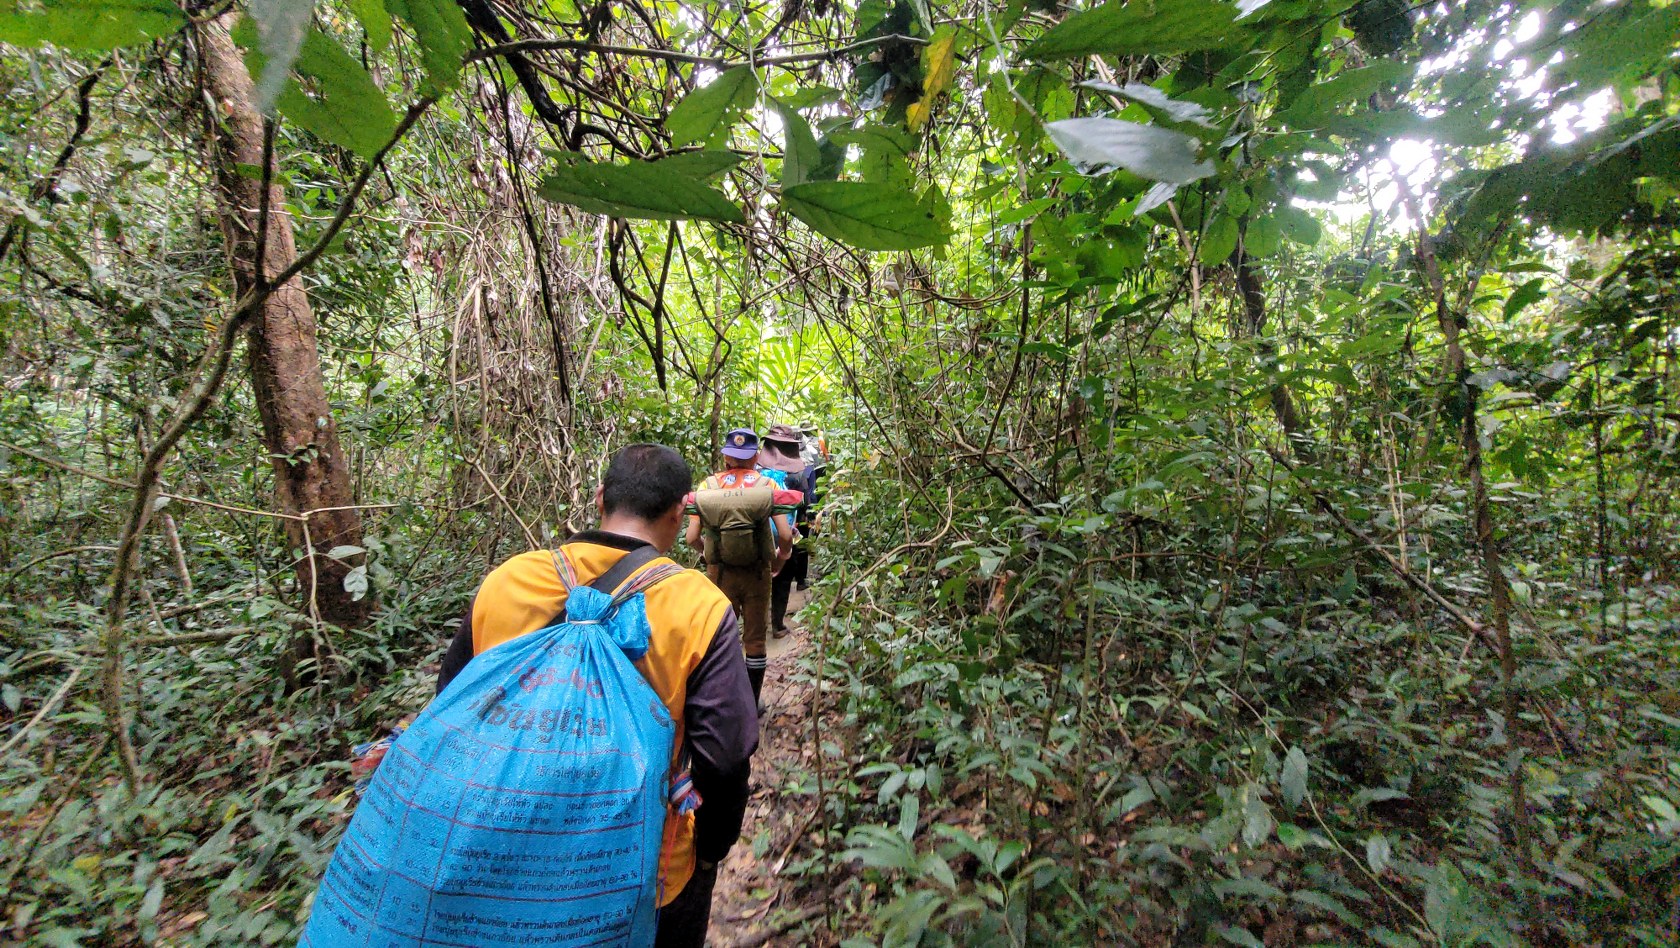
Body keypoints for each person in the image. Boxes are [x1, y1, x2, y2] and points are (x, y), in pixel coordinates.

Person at [437, 444, 757, 948]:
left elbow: (452, 713)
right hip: (644, 874)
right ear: (680, 512)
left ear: (600, 496)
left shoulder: (508, 581)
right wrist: (711, 846)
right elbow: (726, 754)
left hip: (501, 860)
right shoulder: (698, 606)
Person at [685, 428, 792, 706]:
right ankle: (751, 704)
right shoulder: (768, 486)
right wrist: (779, 560)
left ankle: (724, 704)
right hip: (758, 572)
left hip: (719, 574)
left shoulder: (708, 487)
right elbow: (785, 536)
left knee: (721, 638)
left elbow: (691, 537)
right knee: (755, 641)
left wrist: (711, 556)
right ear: (756, 456)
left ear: (726, 457)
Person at [759, 424, 810, 635]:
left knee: (757, 579)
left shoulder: (755, 471)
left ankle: (755, 624)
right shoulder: (797, 475)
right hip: (784, 533)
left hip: (757, 533)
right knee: (782, 577)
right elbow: (804, 502)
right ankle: (777, 624)